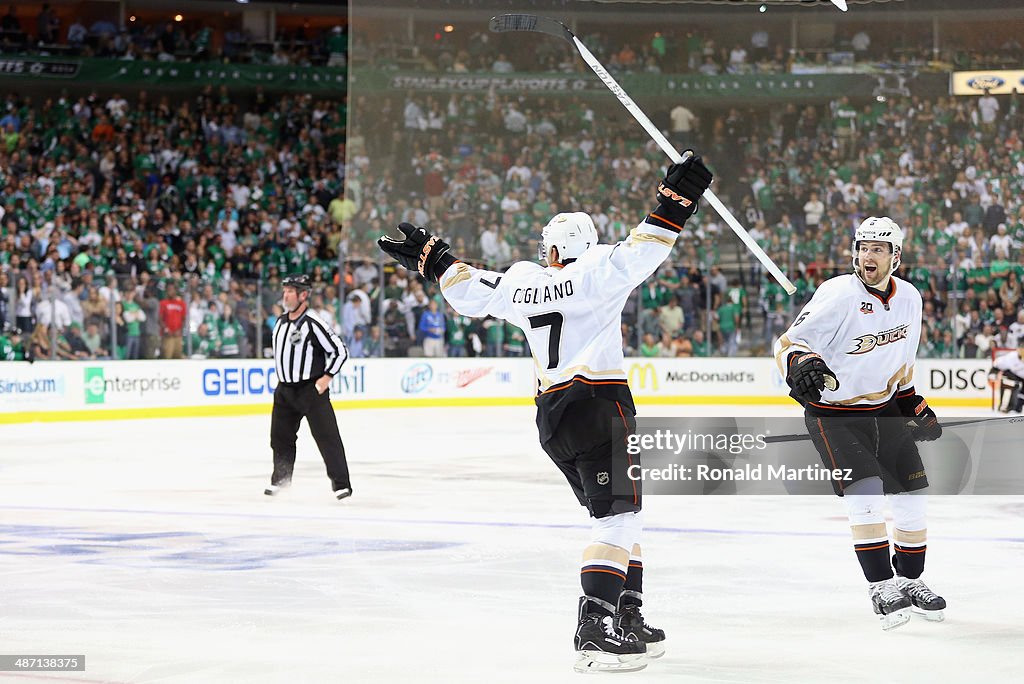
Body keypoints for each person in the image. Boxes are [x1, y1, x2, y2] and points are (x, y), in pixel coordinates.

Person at [379, 155, 713, 672]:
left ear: (556, 249)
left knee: (621, 516)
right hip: (601, 407)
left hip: (554, 420)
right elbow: (646, 248)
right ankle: (595, 626)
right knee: (618, 518)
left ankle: (628, 614)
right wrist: (676, 202)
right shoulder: (599, 270)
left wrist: (436, 260)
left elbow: (470, 292)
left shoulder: (522, 281)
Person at [773, 216, 946, 631]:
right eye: (862, 247)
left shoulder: (910, 298)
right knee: (865, 494)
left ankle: (910, 579)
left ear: (895, 257)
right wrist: (803, 361)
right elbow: (787, 345)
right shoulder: (836, 294)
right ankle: (881, 586)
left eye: (877, 249)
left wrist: (912, 404)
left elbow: (903, 362)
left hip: (884, 409)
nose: (867, 255)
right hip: (835, 416)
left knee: (912, 496)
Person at [267, 274, 353, 501]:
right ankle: (281, 481)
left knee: (328, 438)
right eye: (284, 291)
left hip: (310, 391)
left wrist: (327, 377)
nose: (285, 295)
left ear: (303, 295)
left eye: (290, 292)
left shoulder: (313, 322)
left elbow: (340, 351)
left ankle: (341, 485)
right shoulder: (280, 322)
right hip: (284, 391)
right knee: (280, 438)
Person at [990, 345, 1024, 413]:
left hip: (1021, 378)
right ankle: (1006, 406)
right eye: (1021, 349)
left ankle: (1017, 407)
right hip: (1010, 374)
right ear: (1018, 350)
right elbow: (997, 363)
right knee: (1012, 384)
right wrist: (993, 372)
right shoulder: (1011, 357)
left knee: (1021, 390)